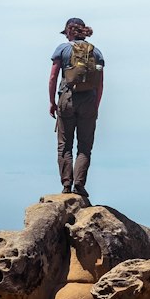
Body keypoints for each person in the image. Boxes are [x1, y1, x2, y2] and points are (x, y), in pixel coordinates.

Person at [49, 16, 104, 200]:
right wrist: (95, 106)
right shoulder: (96, 52)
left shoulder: (63, 49)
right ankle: (79, 184)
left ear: (69, 31)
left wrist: (52, 102)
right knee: (84, 147)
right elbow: (100, 84)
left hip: (67, 98)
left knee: (64, 145)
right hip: (89, 100)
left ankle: (66, 184)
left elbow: (53, 77)